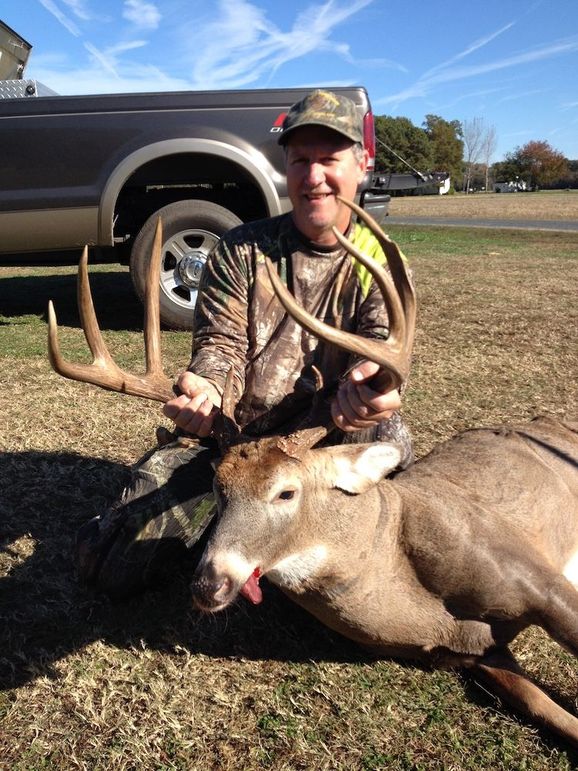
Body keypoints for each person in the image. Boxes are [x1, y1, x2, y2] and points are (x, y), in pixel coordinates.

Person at [76, 89, 414, 599]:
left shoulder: (380, 266)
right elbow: (221, 342)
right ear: (285, 167)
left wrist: (372, 388)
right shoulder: (242, 249)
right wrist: (207, 388)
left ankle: (273, 542)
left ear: (362, 164)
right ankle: (230, 524)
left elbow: (378, 352)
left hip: (322, 450)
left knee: (390, 456)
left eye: (329, 159)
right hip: (234, 446)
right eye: (301, 160)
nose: (315, 176)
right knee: (108, 567)